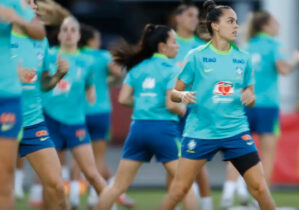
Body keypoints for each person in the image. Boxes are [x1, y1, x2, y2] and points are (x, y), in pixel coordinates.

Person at [159, 1, 276, 210]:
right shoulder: (196, 56)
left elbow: (250, 92)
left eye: (236, 22)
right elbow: (174, 94)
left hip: (236, 131)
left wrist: (250, 97)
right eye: (230, 21)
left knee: (259, 188)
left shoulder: (243, 58)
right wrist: (182, 95)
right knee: (179, 190)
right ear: (215, 25)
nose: (236, 26)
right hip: (201, 132)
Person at [95, 24, 198, 210]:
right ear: (162, 47)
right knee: (185, 186)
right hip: (163, 131)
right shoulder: (173, 69)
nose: (178, 46)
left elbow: (123, 98)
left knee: (117, 186)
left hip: (138, 130)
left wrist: (145, 103)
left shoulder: (138, 68)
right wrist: (185, 111)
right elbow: (172, 104)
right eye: (174, 42)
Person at [221, 10, 299, 207]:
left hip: (245, 103)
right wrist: (297, 60)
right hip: (268, 105)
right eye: (275, 23)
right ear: (265, 26)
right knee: (267, 153)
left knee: (237, 148)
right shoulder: (275, 45)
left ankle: (228, 192)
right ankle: (259, 199)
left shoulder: (247, 45)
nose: (278, 26)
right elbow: (284, 69)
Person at [41, 16, 109, 208]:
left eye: (73, 30)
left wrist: (91, 92)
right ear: (59, 35)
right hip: (50, 120)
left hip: (75, 122)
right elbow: (41, 83)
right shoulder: (49, 56)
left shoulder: (86, 61)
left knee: (92, 174)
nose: (69, 33)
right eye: (65, 30)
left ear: (79, 35)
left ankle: (110, 205)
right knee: (52, 180)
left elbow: (89, 84)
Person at [10, 0, 70, 209]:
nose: (34, 6)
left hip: (33, 122)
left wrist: (59, 74)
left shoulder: (40, 40)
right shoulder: (3, 36)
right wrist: (12, 73)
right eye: (28, 2)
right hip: (5, 121)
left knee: (56, 186)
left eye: (35, 3)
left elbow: (44, 84)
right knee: (4, 190)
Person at [71, 24, 134, 208]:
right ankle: (94, 196)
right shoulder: (102, 56)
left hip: (78, 112)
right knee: (97, 158)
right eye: (97, 38)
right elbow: (117, 73)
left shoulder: (76, 56)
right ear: (90, 40)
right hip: (100, 111)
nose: (99, 42)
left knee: (78, 157)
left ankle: (74, 195)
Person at [0, 0, 45, 209]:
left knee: (3, 181)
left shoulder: (12, 3)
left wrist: (17, 18)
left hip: (7, 98)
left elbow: (39, 32)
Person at [172, 2, 213, 209]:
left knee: (196, 163)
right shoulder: (169, 43)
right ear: (177, 17)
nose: (194, 19)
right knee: (172, 163)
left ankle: (206, 204)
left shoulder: (201, 47)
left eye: (196, 16)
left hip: (194, 111)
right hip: (170, 111)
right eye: (189, 15)